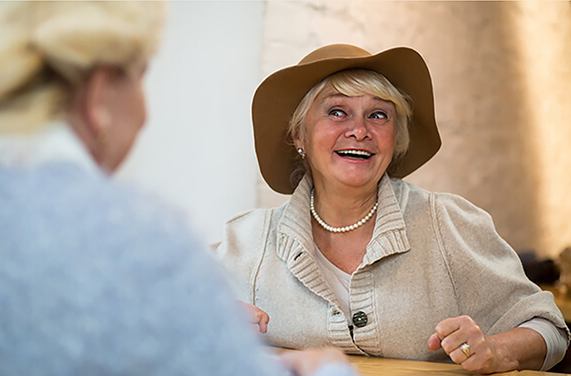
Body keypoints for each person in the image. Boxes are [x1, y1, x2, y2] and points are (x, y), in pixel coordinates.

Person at [0, 3, 358, 376]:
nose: (358, 131)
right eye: (141, 79)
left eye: (378, 114)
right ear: (98, 96)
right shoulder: (134, 239)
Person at [215, 43, 570, 373]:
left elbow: (549, 329)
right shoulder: (245, 243)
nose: (359, 130)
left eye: (378, 115)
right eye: (337, 112)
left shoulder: (447, 224)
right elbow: (171, 332)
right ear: (299, 136)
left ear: (395, 139)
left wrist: (496, 349)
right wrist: (209, 328)